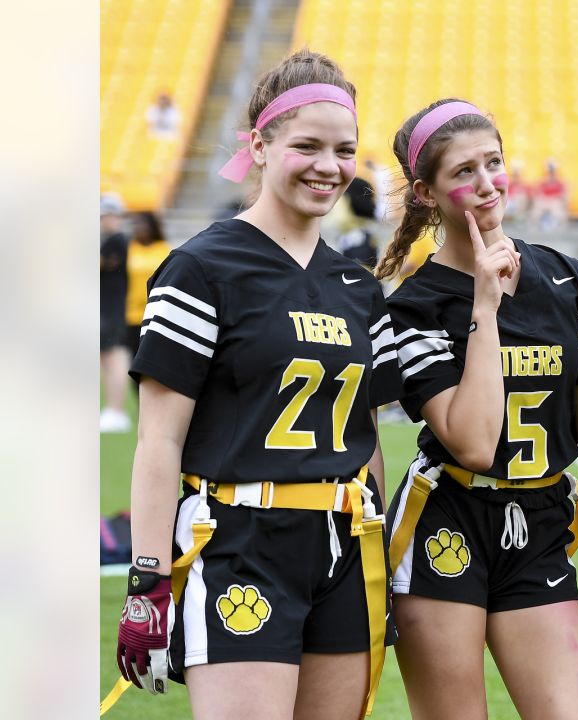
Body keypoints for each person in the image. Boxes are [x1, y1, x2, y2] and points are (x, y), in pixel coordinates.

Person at [107, 50, 402, 720]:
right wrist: (147, 580)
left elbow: (367, 437)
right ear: (261, 147)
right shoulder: (200, 268)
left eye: (344, 149)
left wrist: (380, 554)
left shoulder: (359, 286)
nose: (328, 166)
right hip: (239, 544)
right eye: (307, 146)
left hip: (345, 548)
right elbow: (158, 439)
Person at [373, 99, 578, 719]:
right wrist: (484, 302)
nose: (487, 184)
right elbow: (472, 444)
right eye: (463, 172)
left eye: (494, 162)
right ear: (426, 193)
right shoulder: (415, 305)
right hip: (446, 522)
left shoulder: (565, 279)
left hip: (541, 524)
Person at [100, 193, 131, 432]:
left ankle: (116, 410)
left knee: (114, 356)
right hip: (106, 307)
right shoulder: (111, 240)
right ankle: (112, 409)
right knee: (106, 358)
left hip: (111, 308)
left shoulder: (118, 240)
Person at [123, 211, 172, 360]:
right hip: (132, 313)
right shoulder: (130, 248)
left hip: (157, 311)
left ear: (152, 226)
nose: (138, 228)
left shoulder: (163, 249)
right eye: (136, 224)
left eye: (142, 224)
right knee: (134, 357)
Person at [335, 176, 380, 270]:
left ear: (350, 203)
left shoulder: (357, 240)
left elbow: (359, 281)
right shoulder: (348, 236)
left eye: (337, 199)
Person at [531, 160, 569, 230]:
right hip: (544, 201)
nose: (551, 174)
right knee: (537, 207)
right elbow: (538, 193)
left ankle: (561, 226)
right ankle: (534, 225)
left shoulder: (560, 182)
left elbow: (563, 194)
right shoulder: (542, 182)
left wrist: (554, 199)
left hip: (555, 202)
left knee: (557, 207)